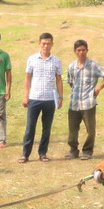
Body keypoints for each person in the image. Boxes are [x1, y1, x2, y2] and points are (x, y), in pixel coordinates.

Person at [65, 39, 104, 161]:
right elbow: (70, 82)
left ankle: (87, 151)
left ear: (87, 50)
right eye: (78, 50)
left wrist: (98, 88)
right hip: (74, 103)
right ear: (75, 51)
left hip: (88, 103)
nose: (81, 52)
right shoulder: (71, 66)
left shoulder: (94, 65)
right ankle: (73, 151)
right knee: (72, 130)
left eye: (83, 50)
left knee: (90, 129)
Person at [19, 33, 63, 164]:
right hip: (34, 98)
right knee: (30, 127)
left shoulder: (56, 61)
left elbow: (59, 80)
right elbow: (27, 78)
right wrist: (26, 96)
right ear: (39, 44)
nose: (45, 45)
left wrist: (60, 97)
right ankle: (25, 154)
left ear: (52, 44)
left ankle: (43, 153)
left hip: (50, 99)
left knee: (47, 128)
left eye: (48, 43)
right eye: (43, 43)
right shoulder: (32, 59)